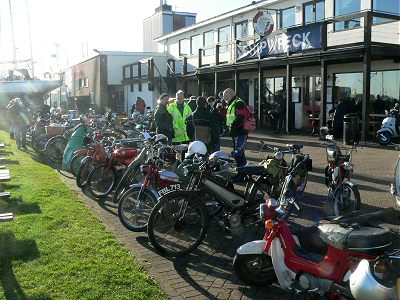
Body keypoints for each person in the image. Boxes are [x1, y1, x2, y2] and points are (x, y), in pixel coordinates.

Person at [224, 88, 248, 170]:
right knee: (240, 154)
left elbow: (241, 117)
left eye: (225, 96)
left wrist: (233, 127)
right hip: (236, 132)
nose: (224, 99)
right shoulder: (232, 103)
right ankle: (242, 172)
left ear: (230, 94)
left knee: (238, 154)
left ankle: (242, 172)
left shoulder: (238, 102)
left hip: (239, 132)